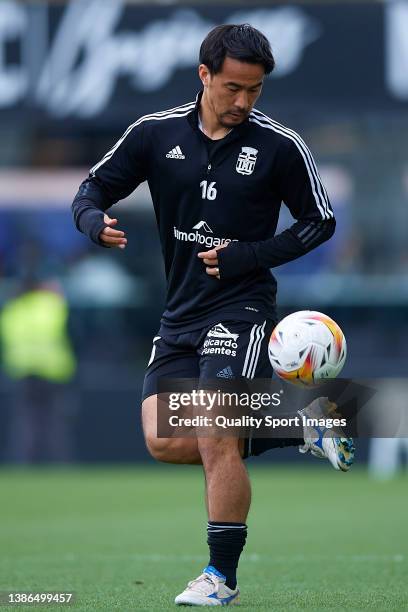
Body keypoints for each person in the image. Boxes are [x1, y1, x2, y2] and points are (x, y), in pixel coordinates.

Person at [72, 24, 354, 607]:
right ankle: (306, 420)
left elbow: (319, 220)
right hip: (179, 312)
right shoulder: (154, 134)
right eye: (233, 88)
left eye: (255, 91)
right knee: (163, 440)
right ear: (204, 75)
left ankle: (219, 577)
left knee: (214, 429)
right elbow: (91, 189)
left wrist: (250, 255)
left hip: (242, 307)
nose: (244, 102)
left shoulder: (279, 145)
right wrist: (93, 224)